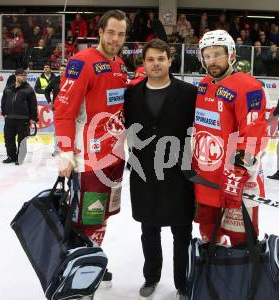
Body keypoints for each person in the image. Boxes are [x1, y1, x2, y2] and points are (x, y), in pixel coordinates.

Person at [54, 10, 129, 292]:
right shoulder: (81, 63)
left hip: (115, 156)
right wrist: (64, 152)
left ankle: (92, 259)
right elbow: (63, 111)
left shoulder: (120, 65)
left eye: (121, 34)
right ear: (100, 31)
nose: (115, 39)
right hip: (89, 159)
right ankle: (78, 270)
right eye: (111, 32)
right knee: (86, 217)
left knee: (102, 215)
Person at [124, 39, 197, 300]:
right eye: (150, 59)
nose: (156, 64)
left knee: (182, 232)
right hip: (144, 173)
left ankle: (183, 283)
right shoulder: (131, 93)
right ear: (144, 63)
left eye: (160, 58)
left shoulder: (189, 93)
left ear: (170, 60)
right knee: (149, 230)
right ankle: (151, 277)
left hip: (179, 174)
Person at [192, 30, 267, 247]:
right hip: (206, 180)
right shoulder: (204, 84)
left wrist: (239, 172)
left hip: (236, 181)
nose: (211, 61)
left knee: (240, 241)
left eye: (217, 54)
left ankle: (241, 281)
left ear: (231, 54)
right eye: (207, 55)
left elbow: (253, 133)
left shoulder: (249, 86)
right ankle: (214, 279)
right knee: (208, 237)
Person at [0, 69, 38, 165]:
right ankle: (11, 156)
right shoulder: (8, 88)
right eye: (22, 75)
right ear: (16, 76)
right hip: (9, 118)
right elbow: (3, 100)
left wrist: (33, 118)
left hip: (23, 119)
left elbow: (33, 105)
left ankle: (20, 158)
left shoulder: (29, 89)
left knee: (22, 140)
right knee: (8, 139)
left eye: (25, 75)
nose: (24, 77)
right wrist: (4, 112)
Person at [45, 64, 66, 156]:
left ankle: (68, 148)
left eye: (63, 70)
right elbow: (46, 91)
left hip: (69, 109)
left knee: (70, 129)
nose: (61, 72)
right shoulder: (54, 80)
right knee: (57, 130)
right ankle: (57, 149)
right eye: (60, 70)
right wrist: (49, 101)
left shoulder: (71, 81)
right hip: (57, 109)